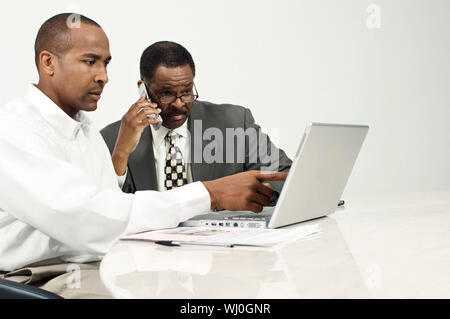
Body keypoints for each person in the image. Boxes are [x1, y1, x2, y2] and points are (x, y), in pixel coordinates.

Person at [0, 13, 286, 298]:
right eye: (90, 62)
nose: (104, 76)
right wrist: (208, 194)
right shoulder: (14, 131)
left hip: (109, 262)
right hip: (46, 275)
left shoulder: (84, 132)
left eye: (106, 63)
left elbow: (110, 205)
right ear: (48, 62)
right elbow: (90, 219)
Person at [101, 41, 292, 204]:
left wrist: (253, 193)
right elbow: (104, 208)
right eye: (166, 94)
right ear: (143, 89)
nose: (179, 104)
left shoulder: (233, 122)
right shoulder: (110, 138)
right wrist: (121, 153)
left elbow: (286, 177)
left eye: (186, 91)